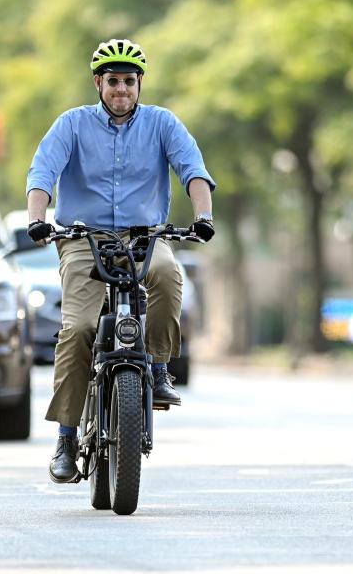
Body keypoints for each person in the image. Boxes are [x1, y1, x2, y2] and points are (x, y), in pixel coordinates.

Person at [24, 38, 216, 484]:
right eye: (113, 81)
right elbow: (42, 173)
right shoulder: (71, 125)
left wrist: (203, 216)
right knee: (79, 329)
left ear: (139, 83)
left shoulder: (164, 124)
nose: (121, 90)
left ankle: (160, 368)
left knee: (169, 274)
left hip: (146, 236)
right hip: (82, 238)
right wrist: (38, 219)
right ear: (98, 83)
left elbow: (193, 170)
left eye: (129, 81)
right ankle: (67, 437)